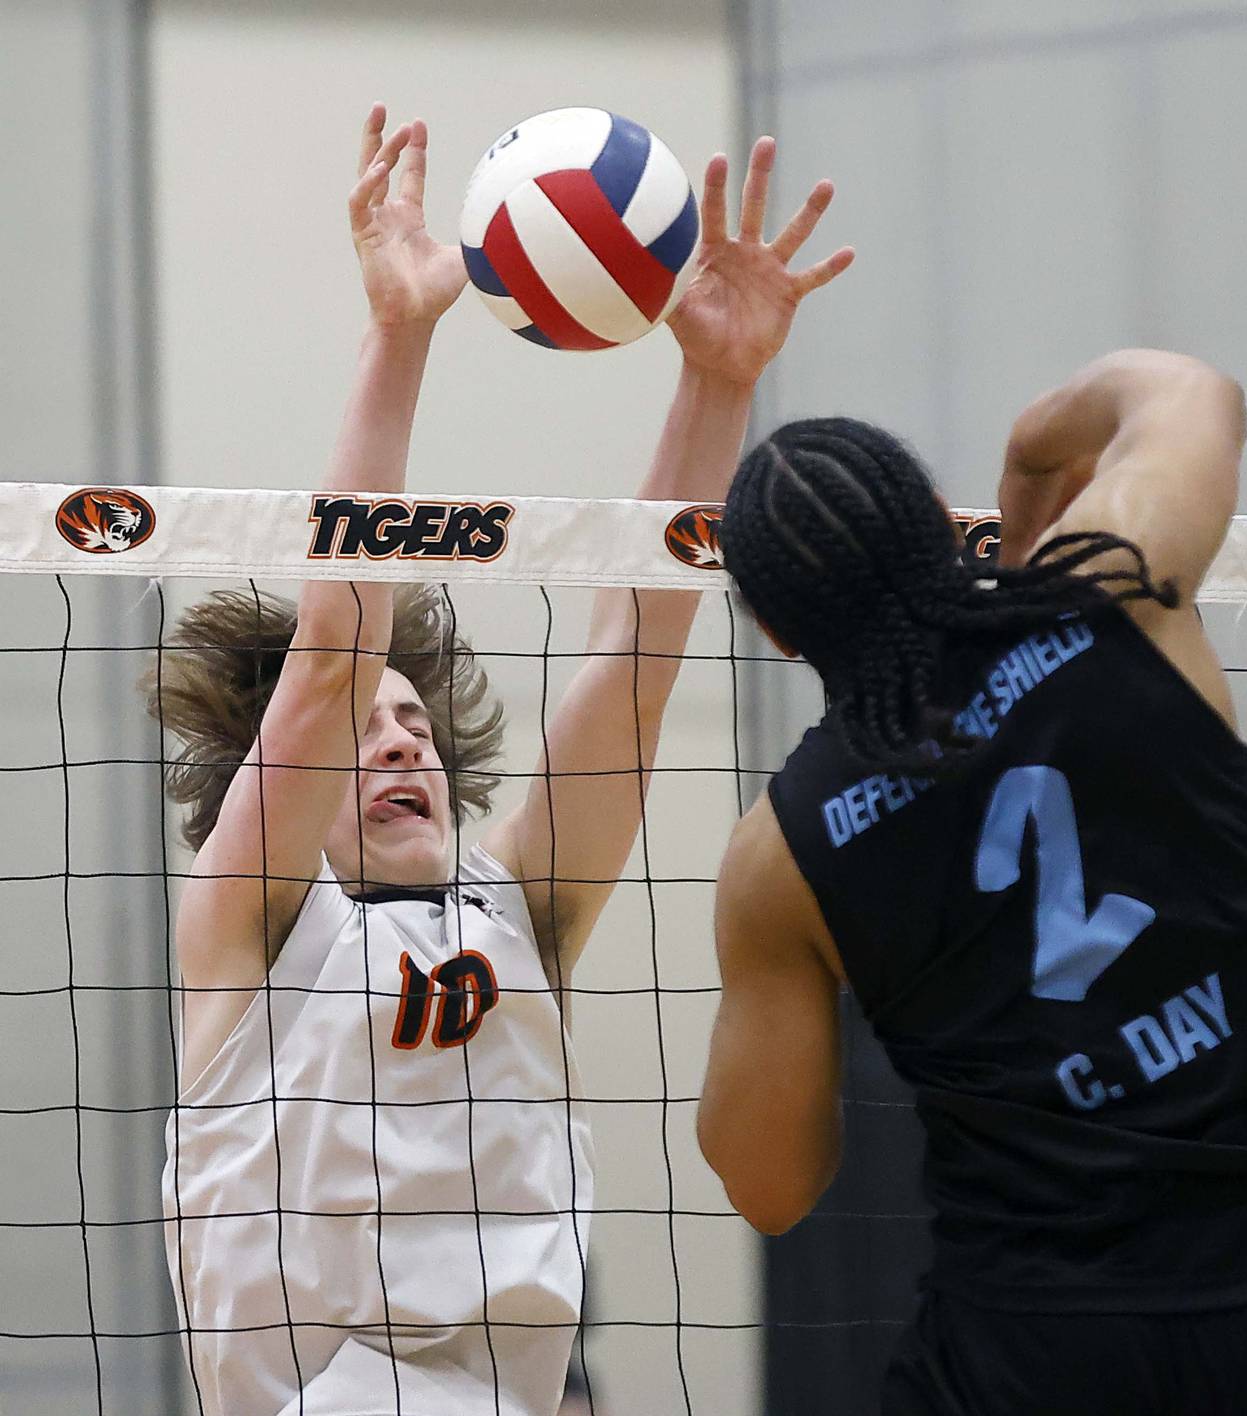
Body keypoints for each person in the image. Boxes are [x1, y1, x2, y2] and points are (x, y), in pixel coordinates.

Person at [149, 103, 851, 1416]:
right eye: (370, 725)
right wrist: (402, 333)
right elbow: (331, 653)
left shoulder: (515, 905)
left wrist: (719, 384)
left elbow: (633, 664)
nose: (399, 732)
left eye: (416, 721)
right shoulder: (250, 924)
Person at [697, 352, 1247, 1415]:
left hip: (1026, 1341)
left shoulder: (782, 853)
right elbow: (1193, 392)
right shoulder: (1115, 590)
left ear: (778, 632)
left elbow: (770, 1189)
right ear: (934, 529)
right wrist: (1031, 454)